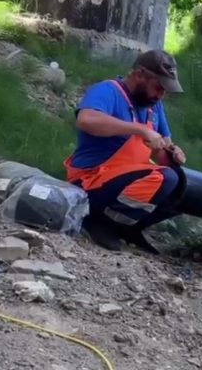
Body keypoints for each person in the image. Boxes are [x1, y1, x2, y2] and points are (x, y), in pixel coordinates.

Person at [63, 49, 187, 252]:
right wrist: (139, 129)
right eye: (158, 87)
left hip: (125, 176)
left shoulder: (154, 105)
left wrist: (172, 154)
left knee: (179, 181)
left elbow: (163, 148)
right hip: (91, 180)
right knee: (164, 178)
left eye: (165, 90)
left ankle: (130, 227)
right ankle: (99, 222)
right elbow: (86, 120)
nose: (161, 94)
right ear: (139, 75)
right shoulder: (108, 90)